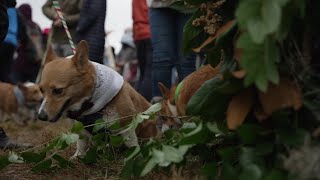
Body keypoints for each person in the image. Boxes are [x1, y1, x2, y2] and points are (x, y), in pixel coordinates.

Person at [147, 0, 196, 98]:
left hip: (189, 5)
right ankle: (159, 108)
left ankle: (188, 106)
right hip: (159, 5)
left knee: (186, 60)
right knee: (162, 58)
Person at [0, 0, 32, 149]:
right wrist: (23, 43)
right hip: (10, 43)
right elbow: (24, 33)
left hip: (6, 41)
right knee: (5, 78)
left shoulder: (11, 10)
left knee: (5, 79)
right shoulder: (15, 11)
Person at [11, 4, 44, 83]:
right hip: (36, 62)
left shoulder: (21, 25)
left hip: (21, 63)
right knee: (35, 88)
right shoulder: (36, 26)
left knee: (17, 88)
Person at [0, 0, 26, 83]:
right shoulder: (17, 12)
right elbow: (23, 28)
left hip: (3, 40)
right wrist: (20, 40)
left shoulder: (3, 8)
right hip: (12, 43)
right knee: (6, 71)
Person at [132, 0, 153, 101]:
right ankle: (143, 103)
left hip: (138, 34)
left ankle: (136, 101)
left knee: (143, 73)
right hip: (149, 31)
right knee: (150, 72)